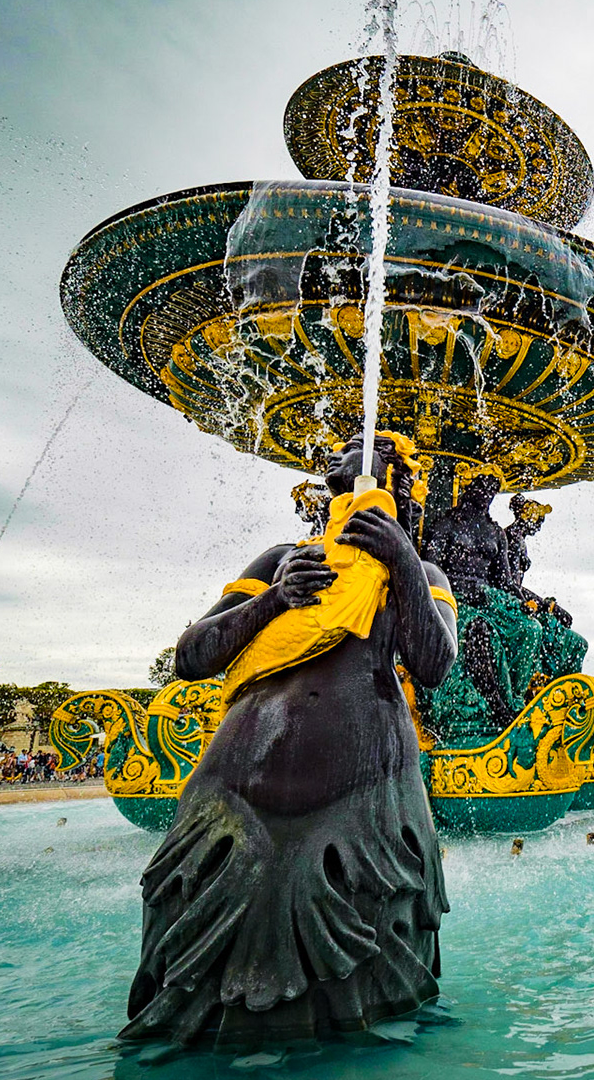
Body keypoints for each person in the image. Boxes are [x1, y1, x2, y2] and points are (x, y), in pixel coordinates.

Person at [122, 431, 457, 1048]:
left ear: (397, 474)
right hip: (236, 791)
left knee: (359, 999)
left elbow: (434, 665)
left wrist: (405, 564)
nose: (344, 449)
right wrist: (276, 601)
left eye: (366, 443)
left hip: (363, 804)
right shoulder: (281, 559)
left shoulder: (420, 569)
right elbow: (192, 657)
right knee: (195, 962)